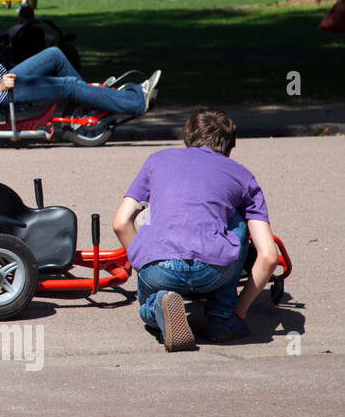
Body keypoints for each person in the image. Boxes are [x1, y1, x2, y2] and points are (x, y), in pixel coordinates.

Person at [112, 107, 280, 352]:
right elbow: (268, 256)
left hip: (159, 264)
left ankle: (159, 306)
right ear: (231, 147)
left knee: (150, 298)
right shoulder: (243, 177)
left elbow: (121, 222)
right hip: (211, 269)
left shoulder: (157, 160)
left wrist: (145, 263)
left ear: (187, 139)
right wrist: (239, 312)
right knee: (237, 219)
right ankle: (222, 317)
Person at [0, 0, 161, 117]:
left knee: (55, 55)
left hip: (7, 81)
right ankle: (136, 102)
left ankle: (90, 103)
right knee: (69, 85)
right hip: (2, 96)